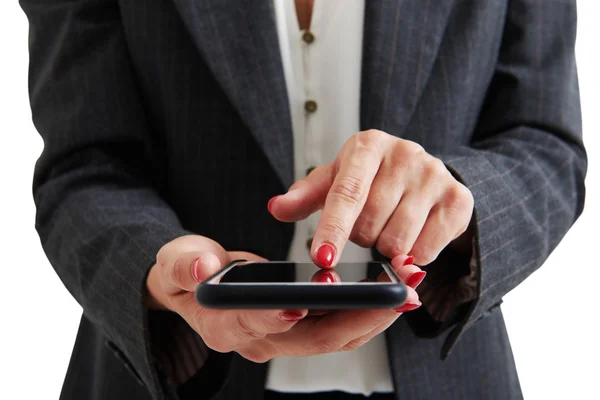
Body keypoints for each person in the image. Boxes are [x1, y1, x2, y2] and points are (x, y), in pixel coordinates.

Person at [20, 0, 586, 399]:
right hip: (177, 376)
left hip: (447, 372)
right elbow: (83, 162)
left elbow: (547, 146)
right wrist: (158, 262)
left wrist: (457, 204)